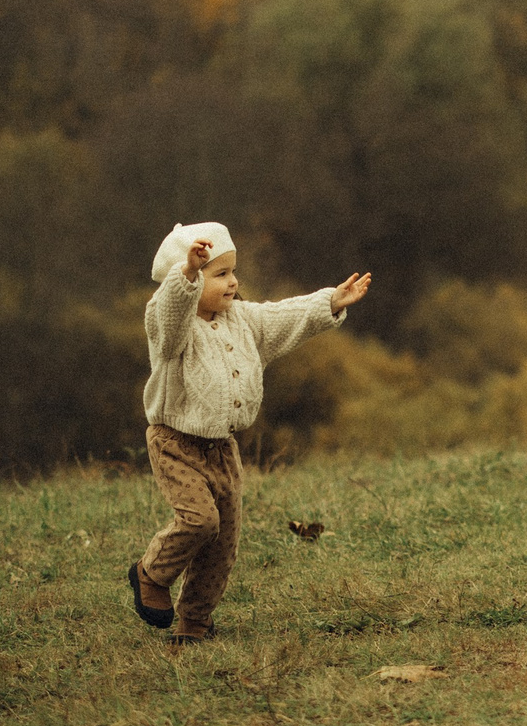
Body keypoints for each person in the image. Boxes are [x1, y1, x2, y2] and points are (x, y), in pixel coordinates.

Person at [130, 222, 372, 643]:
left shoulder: (242, 320)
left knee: (221, 541)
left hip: (222, 449)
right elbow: (168, 311)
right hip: (175, 443)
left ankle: (196, 621)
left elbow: (284, 316)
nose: (233, 281)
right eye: (219, 274)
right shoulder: (170, 330)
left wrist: (330, 302)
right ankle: (151, 573)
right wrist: (186, 274)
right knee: (200, 521)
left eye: (233, 271)